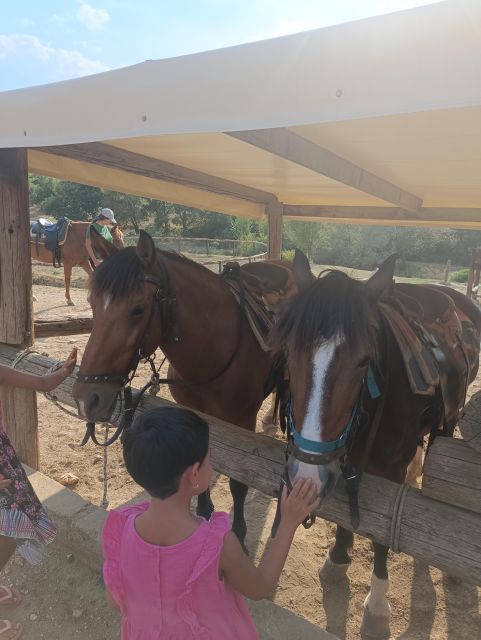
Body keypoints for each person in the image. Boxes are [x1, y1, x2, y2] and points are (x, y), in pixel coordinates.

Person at [102, 406, 320, 640]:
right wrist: (288, 522)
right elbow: (261, 587)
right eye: (208, 459)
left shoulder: (120, 529)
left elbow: (116, 602)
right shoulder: (217, 545)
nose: (211, 465)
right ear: (194, 473)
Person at [0, 347, 77, 639]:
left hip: (4, 464)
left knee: (10, 528)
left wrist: (64, 371)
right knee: (7, 532)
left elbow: (42, 384)